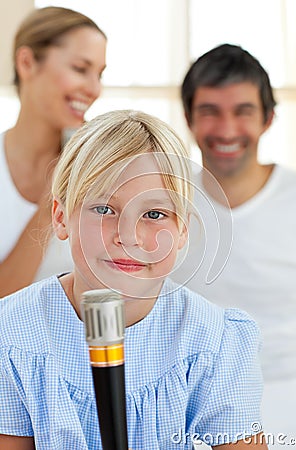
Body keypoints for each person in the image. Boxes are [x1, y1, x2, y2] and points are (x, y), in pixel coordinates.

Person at [0, 110, 268, 449]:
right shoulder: (10, 335)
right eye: (104, 209)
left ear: (182, 229)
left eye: (154, 214)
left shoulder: (214, 340)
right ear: (61, 217)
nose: (128, 236)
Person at [171, 43, 296, 445]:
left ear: (268, 118)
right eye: (210, 111)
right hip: (189, 414)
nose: (227, 130)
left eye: (243, 111)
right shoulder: (162, 204)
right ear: (188, 119)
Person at [0, 6, 107, 296]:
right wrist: (53, 195)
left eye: (99, 74)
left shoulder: (94, 174)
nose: (94, 88)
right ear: (27, 63)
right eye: (80, 69)